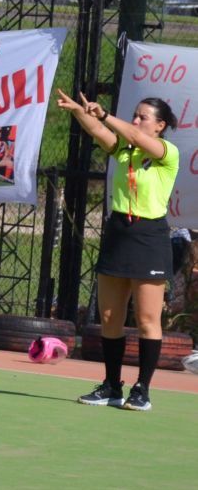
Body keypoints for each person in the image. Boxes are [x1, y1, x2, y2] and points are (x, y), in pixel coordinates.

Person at [58, 89, 179, 411]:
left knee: (146, 319)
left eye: (143, 117)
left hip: (149, 237)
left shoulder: (167, 152)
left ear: (160, 125)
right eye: (135, 115)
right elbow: (100, 131)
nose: (136, 120)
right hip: (117, 233)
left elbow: (121, 130)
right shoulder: (124, 149)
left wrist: (105, 115)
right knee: (110, 316)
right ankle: (112, 386)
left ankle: (143, 390)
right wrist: (78, 111)